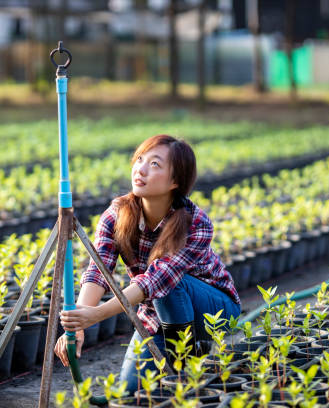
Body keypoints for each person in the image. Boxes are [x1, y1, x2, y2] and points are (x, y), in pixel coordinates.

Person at [54, 134, 241, 394]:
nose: (140, 169)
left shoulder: (196, 223)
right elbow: (99, 270)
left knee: (171, 286)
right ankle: (178, 356)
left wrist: (97, 315)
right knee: (130, 393)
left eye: (154, 164)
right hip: (156, 316)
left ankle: (189, 355)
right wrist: (79, 325)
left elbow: (156, 281)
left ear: (175, 181)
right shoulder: (116, 215)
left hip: (213, 309)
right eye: (139, 159)